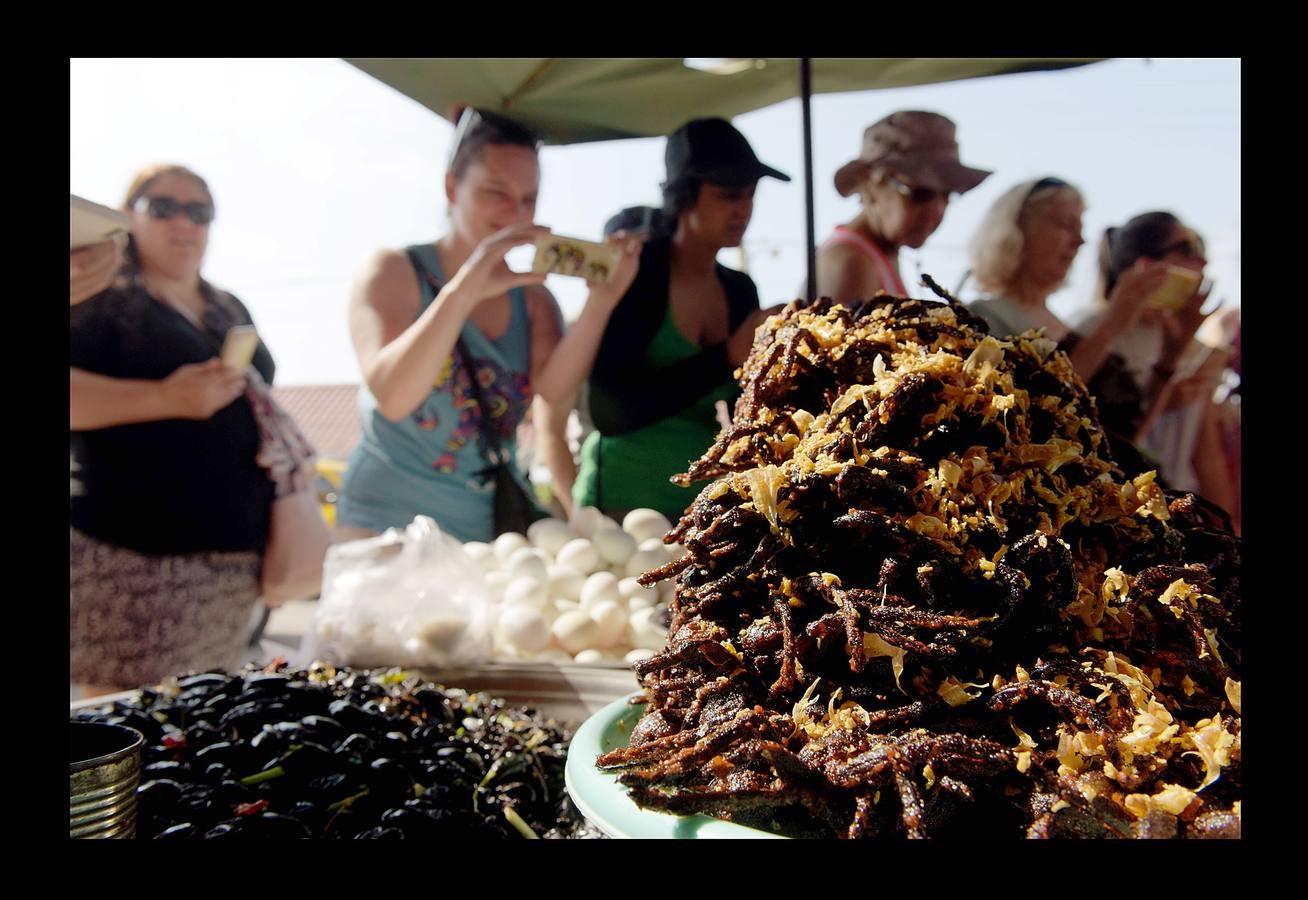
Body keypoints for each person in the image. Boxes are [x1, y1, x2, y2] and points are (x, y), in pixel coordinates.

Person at [335, 108, 639, 542]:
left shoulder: (533, 300)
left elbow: (553, 396)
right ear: (451, 187)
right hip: (383, 528)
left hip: (488, 533)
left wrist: (601, 302)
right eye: (496, 191)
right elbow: (392, 396)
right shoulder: (393, 270)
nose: (515, 211)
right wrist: (463, 290)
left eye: (529, 199)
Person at [70, 164, 307, 694]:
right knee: (133, 725)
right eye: (163, 207)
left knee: (201, 721)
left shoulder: (226, 305)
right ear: (129, 217)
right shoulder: (95, 297)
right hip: (133, 558)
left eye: (199, 211)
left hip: (232, 564)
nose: (184, 222)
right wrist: (163, 397)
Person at [573, 117, 789, 522]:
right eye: (729, 195)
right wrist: (727, 355)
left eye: (751, 194)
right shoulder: (639, 273)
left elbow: (745, 410)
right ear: (684, 195)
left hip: (703, 507)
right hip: (620, 505)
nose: (744, 209)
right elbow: (611, 412)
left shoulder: (740, 289)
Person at [966, 183, 1204, 479]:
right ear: (1017, 228)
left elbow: (1129, 436)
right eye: (1064, 224)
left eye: (1079, 228)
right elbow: (1036, 412)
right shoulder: (987, 314)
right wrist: (1113, 324)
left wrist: (1171, 355)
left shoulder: (1064, 324)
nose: (1079, 240)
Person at [817, 110, 990, 303]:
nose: (935, 211)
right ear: (869, 182)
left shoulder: (879, 254)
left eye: (946, 195)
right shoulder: (853, 262)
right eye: (920, 194)